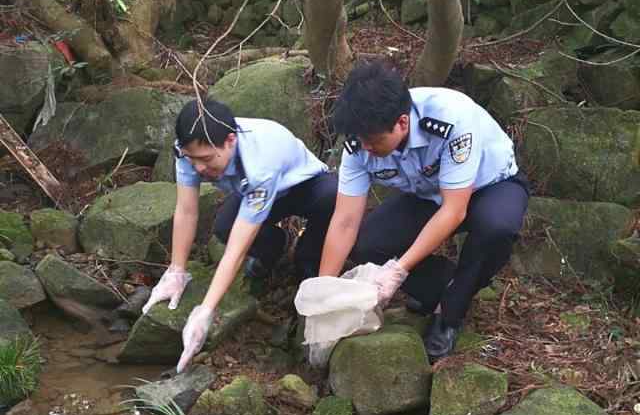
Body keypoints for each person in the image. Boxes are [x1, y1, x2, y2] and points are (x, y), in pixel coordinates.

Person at [318, 61, 529, 361]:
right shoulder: (360, 142)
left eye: (375, 142)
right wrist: (323, 289)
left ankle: (450, 314)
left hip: (491, 186)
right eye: (361, 141)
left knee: (496, 227)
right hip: (429, 195)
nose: (366, 149)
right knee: (368, 244)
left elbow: (454, 210)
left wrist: (398, 270)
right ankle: (445, 285)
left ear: (402, 123)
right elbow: (345, 220)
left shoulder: (449, 118)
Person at [142, 98, 337, 372]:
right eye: (192, 159)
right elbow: (186, 210)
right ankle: (276, 248)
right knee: (224, 227)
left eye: (206, 160)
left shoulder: (261, 162)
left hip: (304, 186)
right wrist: (176, 271)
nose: (198, 168)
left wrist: (205, 310)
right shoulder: (187, 150)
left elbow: (235, 250)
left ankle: (307, 261)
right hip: (253, 195)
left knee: (332, 198)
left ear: (230, 141)